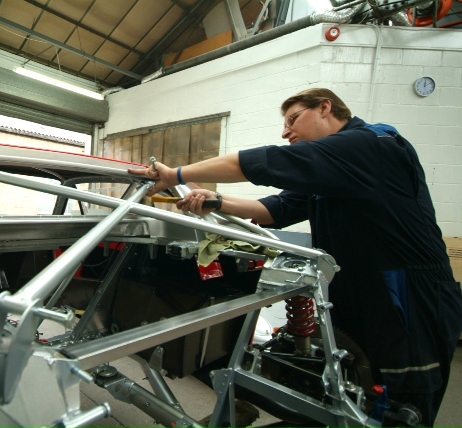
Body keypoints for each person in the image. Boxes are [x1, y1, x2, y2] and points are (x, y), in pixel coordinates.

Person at [128, 88, 462, 428]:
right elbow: (275, 209)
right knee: (357, 388)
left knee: (404, 403)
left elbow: (265, 162)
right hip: (360, 290)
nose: (286, 132)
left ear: (325, 108)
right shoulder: (332, 172)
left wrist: (175, 175)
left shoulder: (370, 144)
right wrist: (215, 200)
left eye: (293, 120)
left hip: (407, 293)